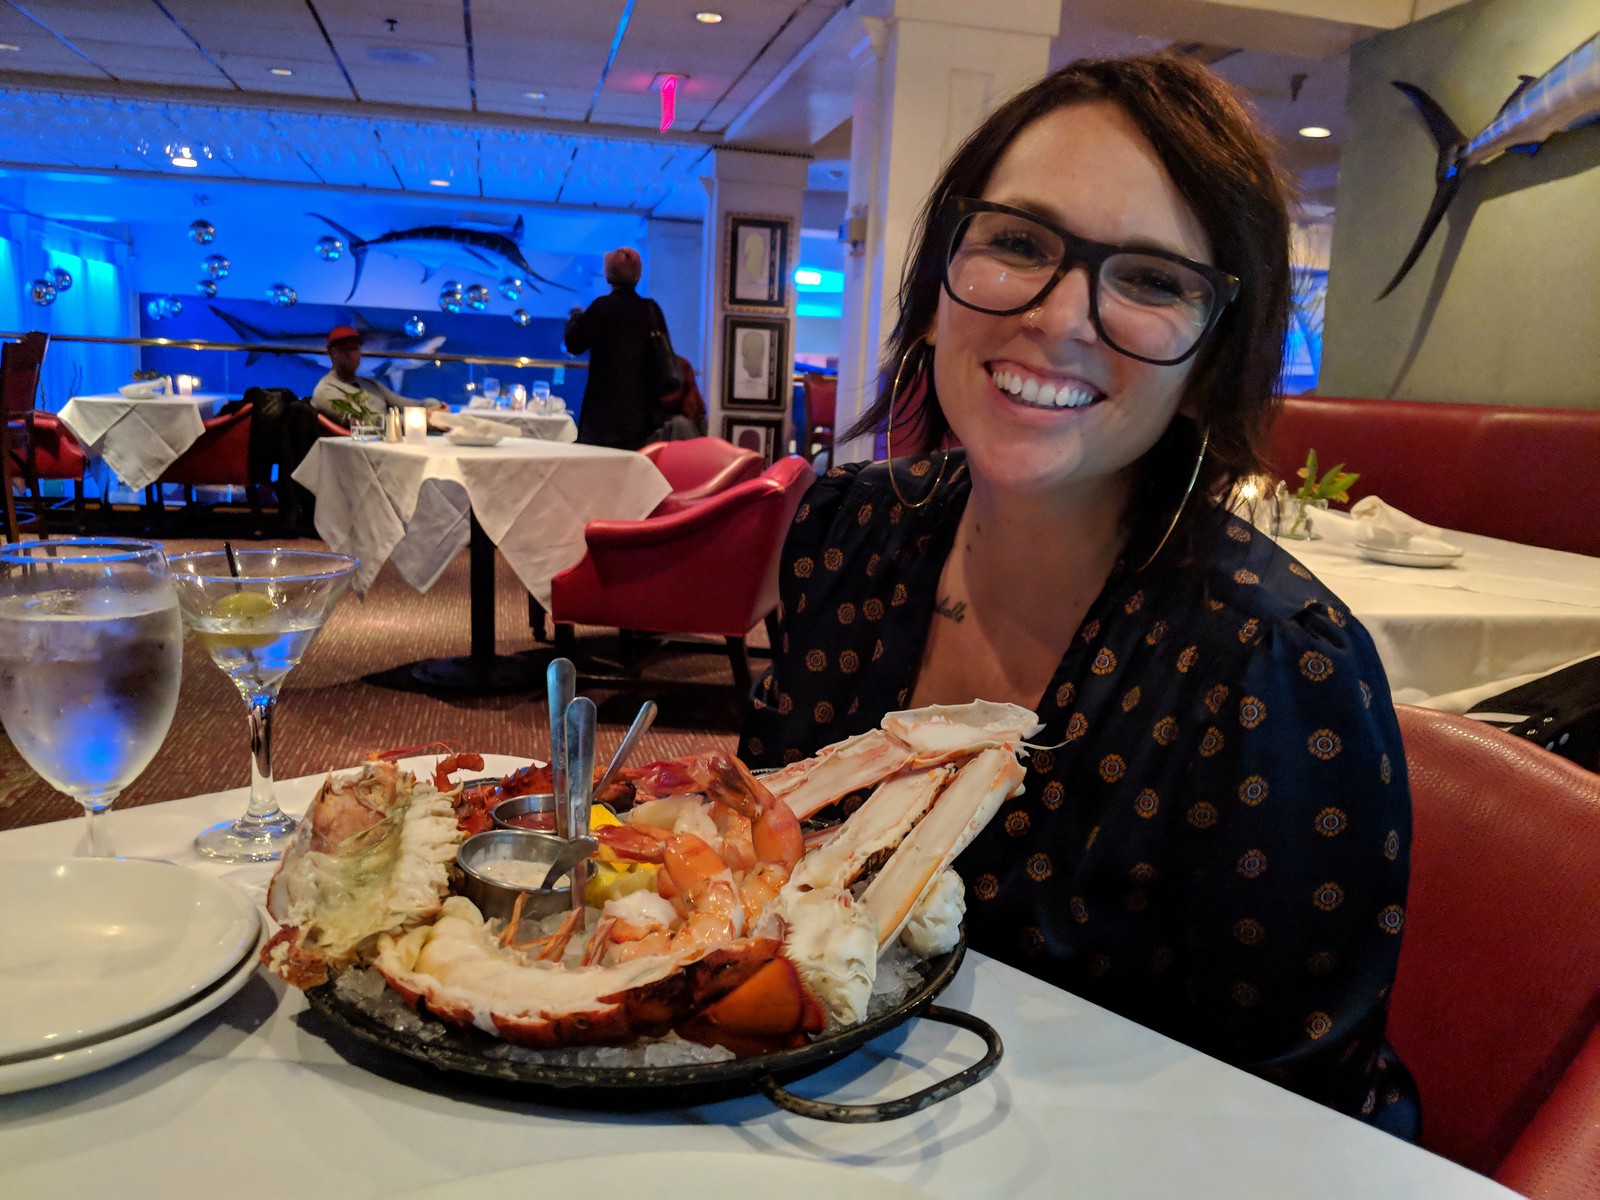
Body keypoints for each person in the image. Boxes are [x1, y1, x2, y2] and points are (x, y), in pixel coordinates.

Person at [740, 54, 1417, 1137]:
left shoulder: (1272, 665)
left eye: (1151, 280)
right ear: (937, 281)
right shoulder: (849, 528)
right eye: (1018, 243)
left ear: (1211, 360)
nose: (1060, 319)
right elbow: (759, 859)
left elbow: (1284, 1119)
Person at [565, 247, 675, 450]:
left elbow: (574, 344)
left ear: (609, 275)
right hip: (642, 411)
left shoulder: (602, 307)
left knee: (597, 462)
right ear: (638, 274)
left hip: (603, 410)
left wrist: (574, 318)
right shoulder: (651, 309)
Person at [309, 326, 439, 427]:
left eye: (355, 349)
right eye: (345, 349)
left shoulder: (370, 384)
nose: (351, 355)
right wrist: (426, 420)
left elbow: (405, 403)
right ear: (331, 354)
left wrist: (433, 406)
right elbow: (368, 422)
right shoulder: (325, 390)